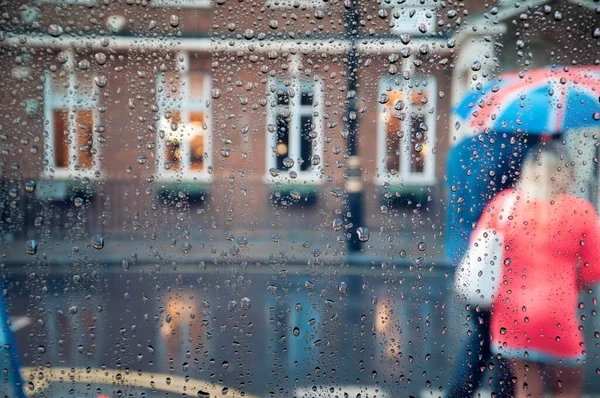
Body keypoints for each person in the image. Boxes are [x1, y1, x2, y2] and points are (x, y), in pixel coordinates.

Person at [476, 142, 600, 397]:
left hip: (511, 316)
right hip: (558, 315)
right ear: (566, 172)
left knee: (526, 385)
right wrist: (572, 283)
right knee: (568, 387)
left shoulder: (505, 205)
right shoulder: (581, 211)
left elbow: (480, 247)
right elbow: (594, 268)